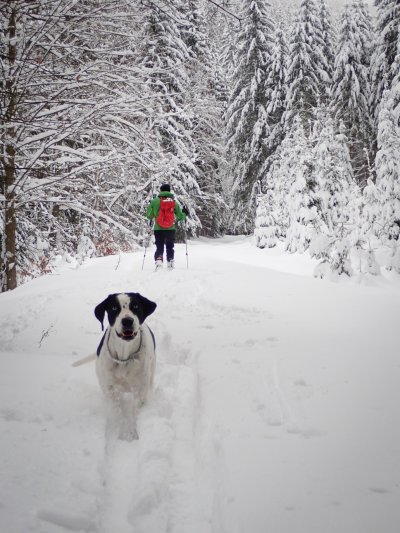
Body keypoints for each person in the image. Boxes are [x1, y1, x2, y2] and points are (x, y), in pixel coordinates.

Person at [146, 184, 186, 269]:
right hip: (170, 228)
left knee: (159, 245)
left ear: (160, 191)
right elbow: (180, 216)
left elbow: (149, 216)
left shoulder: (155, 201)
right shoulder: (173, 202)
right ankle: (170, 261)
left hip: (158, 228)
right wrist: (185, 213)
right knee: (170, 246)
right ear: (169, 191)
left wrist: (151, 207)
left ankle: (159, 259)